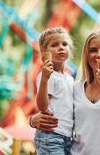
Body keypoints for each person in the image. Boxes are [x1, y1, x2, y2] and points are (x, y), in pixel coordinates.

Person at [30, 29, 100, 155]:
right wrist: (33, 120)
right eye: (93, 50)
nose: (99, 55)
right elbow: (57, 108)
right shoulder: (76, 87)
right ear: (87, 56)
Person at [34, 27, 75, 155]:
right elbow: (42, 106)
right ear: (44, 51)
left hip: (67, 136)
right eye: (54, 45)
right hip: (50, 135)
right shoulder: (46, 75)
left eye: (64, 44)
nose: (61, 47)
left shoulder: (69, 78)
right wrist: (45, 79)